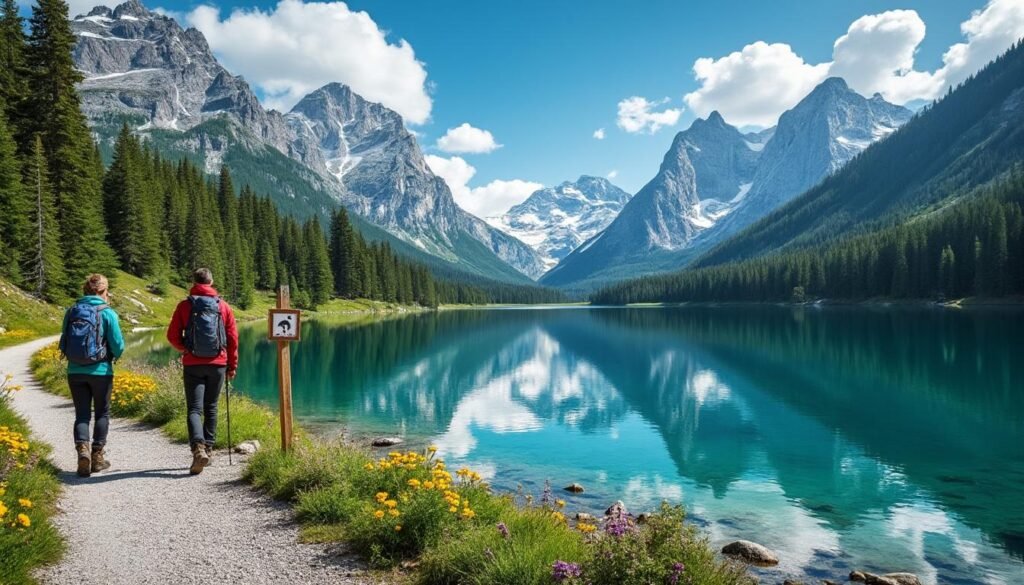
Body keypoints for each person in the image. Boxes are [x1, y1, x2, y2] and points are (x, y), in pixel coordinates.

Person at [166, 268, 239, 475]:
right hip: (218, 363)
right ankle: (208, 447)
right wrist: (232, 365)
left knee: (194, 409)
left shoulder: (184, 305)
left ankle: (197, 449)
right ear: (211, 281)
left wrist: (186, 349)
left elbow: (172, 335)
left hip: (193, 364)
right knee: (212, 407)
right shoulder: (223, 306)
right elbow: (233, 339)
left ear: (194, 282)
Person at [59, 274, 125, 477]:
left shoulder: (72, 311)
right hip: (101, 371)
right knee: (102, 413)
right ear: (105, 291)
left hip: (75, 371)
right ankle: (97, 457)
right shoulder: (107, 313)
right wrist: (114, 356)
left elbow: (64, 338)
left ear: (85, 290)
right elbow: (118, 345)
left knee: (81, 414)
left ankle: (82, 452)